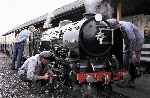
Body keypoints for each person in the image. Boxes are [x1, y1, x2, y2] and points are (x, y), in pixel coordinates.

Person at [107, 19, 144, 87]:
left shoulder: (127, 27)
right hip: (129, 43)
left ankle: (128, 80)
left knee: (130, 60)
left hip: (137, 42)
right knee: (127, 60)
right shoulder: (120, 25)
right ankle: (130, 81)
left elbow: (132, 39)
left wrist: (132, 52)